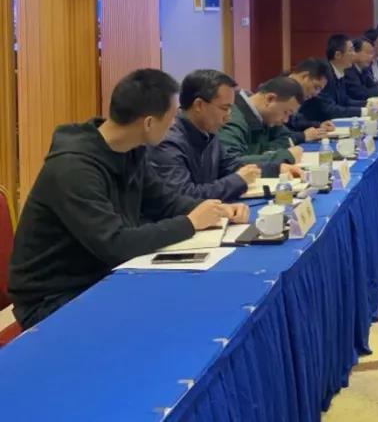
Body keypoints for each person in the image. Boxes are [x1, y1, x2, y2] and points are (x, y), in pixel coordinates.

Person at [7, 69, 248, 328]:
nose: (173, 125)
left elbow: (165, 202)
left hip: (103, 275)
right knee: (174, 319)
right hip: (55, 298)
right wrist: (190, 223)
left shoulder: (132, 151)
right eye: (170, 118)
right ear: (148, 123)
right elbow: (115, 243)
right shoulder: (73, 169)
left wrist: (215, 210)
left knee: (196, 302)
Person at [150, 70, 300, 202]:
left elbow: (230, 166)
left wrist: (275, 169)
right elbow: (184, 196)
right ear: (199, 105)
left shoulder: (208, 131)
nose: (228, 116)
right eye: (224, 108)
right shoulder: (168, 142)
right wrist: (238, 180)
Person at [219, 76, 305, 167]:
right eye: (286, 112)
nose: (286, 120)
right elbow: (231, 162)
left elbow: (286, 137)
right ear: (270, 99)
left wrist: (264, 152)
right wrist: (285, 156)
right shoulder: (233, 119)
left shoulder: (266, 117)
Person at [302, 34, 367, 122]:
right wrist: (363, 111)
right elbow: (329, 110)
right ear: (338, 55)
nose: (354, 54)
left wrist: (368, 105)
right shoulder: (324, 74)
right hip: (314, 123)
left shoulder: (339, 71)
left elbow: (344, 100)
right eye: (350, 50)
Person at [285, 58, 336, 144]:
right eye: (316, 87)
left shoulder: (296, 93)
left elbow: (295, 122)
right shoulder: (279, 92)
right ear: (304, 76)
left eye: (320, 90)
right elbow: (278, 135)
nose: (316, 94)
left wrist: (318, 125)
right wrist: (302, 136)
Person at [346, 37, 378, 102]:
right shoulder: (348, 70)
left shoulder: (364, 69)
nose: (371, 56)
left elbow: (373, 84)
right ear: (355, 52)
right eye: (368, 53)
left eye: (372, 53)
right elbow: (359, 94)